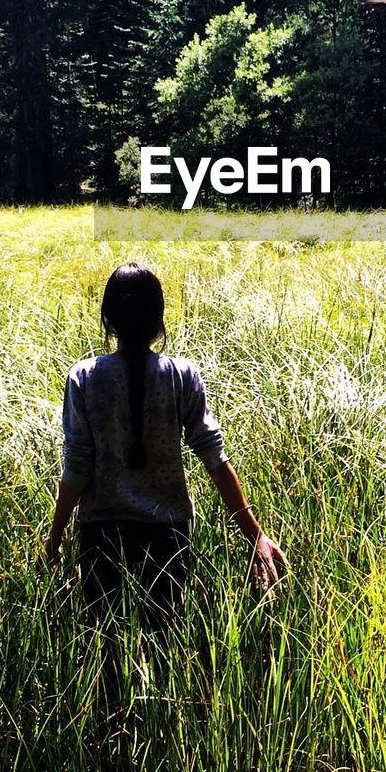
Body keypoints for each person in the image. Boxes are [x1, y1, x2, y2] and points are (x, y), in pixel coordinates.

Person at [44, 262, 286, 633]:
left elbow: (77, 466)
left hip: (102, 533)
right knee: (163, 645)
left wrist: (56, 535)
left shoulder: (85, 376)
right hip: (168, 534)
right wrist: (255, 534)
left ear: (108, 318)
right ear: (158, 320)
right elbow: (215, 460)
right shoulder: (182, 375)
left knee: (103, 650)